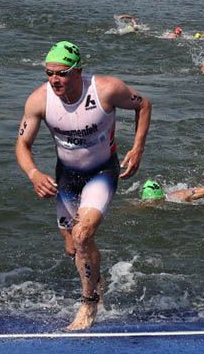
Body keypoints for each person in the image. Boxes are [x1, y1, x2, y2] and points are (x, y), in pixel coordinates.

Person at [15, 41, 152, 330]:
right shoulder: (39, 100)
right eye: (49, 73)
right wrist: (33, 174)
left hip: (102, 171)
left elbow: (144, 104)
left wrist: (137, 148)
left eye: (62, 73)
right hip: (67, 176)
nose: (54, 80)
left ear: (79, 71)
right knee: (72, 248)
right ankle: (97, 280)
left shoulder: (106, 90)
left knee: (82, 234)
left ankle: (88, 304)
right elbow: (22, 144)